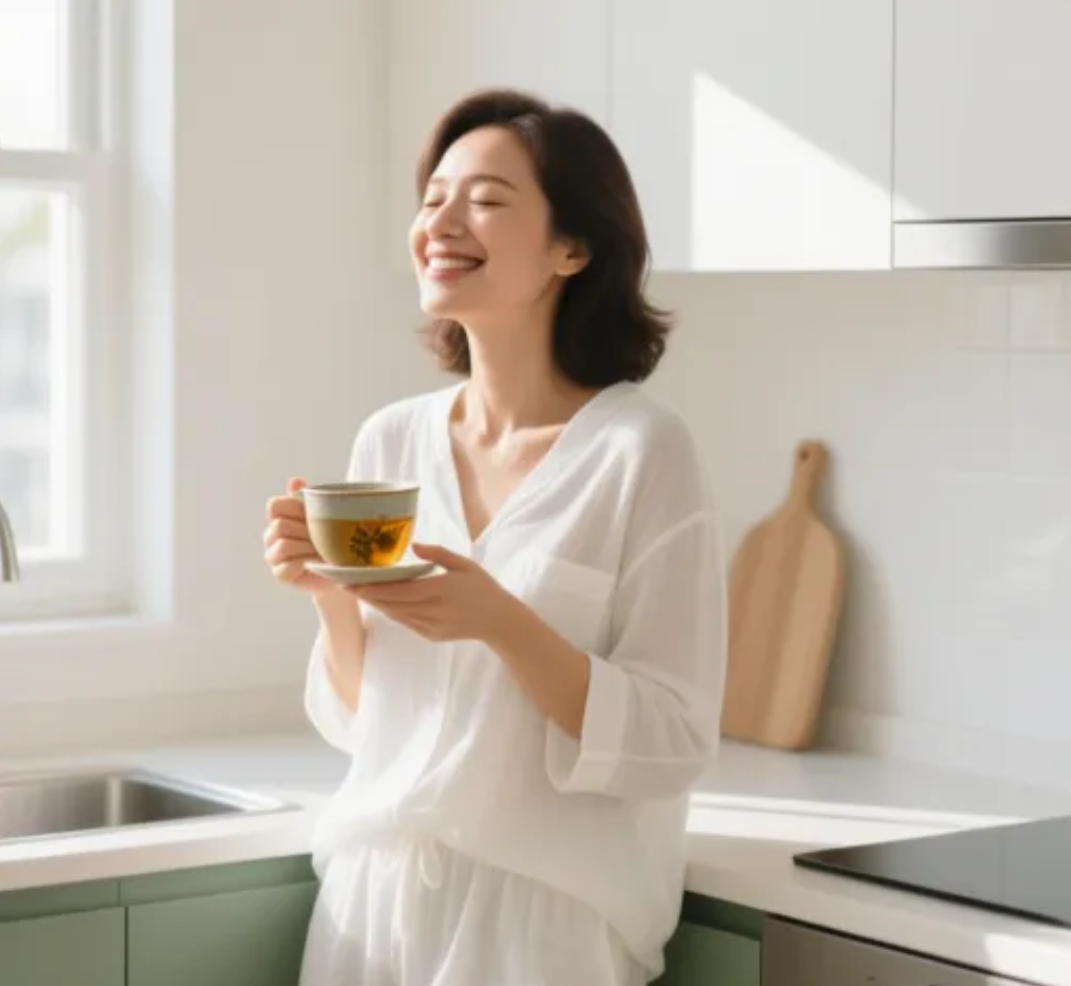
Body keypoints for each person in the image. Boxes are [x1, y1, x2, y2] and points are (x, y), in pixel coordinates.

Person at [263, 88, 726, 986]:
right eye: (432, 195)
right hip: (372, 906)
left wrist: (502, 622)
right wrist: (331, 601)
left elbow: (672, 737)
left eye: (484, 197)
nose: (441, 219)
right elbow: (375, 722)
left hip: (542, 926)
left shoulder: (640, 452)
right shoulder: (391, 439)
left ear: (572, 247)